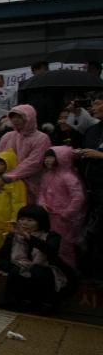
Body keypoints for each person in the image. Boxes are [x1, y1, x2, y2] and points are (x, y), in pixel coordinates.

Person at [0, 205, 72, 313]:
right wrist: (6, 268)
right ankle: (17, 301)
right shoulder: (13, 236)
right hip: (22, 271)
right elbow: (2, 256)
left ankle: (44, 303)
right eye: (21, 219)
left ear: (40, 222)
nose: (24, 223)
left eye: (30, 220)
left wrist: (29, 238)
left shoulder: (52, 236)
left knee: (36, 271)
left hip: (47, 272)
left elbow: (50, 250)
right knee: (17, 270)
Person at [38, 147, 86, 270]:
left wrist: (67, 214)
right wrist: (42, 204)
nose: (47, 160)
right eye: (46, 157)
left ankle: (67, 272)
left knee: (65, 247)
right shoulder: (47, 175)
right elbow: (41, 192)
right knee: (49, 245)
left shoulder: (69, 177)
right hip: (49, 216)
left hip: (64, 219)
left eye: (51, 157)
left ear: (62, 158)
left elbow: (78, 197)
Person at [0, 104, 51, 203]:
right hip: (4, 185)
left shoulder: (41, 138)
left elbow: (34, 162)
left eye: (19, 117)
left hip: (30, 185)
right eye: (13, 117)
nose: (15, 120)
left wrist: (8, 177)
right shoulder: (7, 136)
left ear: (30, 118)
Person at [73, 95, 103, 277]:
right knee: (90, 233)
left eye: (98, 103)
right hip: (91, 187)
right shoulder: (92, 130)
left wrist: (100, 156)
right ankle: (91, 271)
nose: (94, 107)